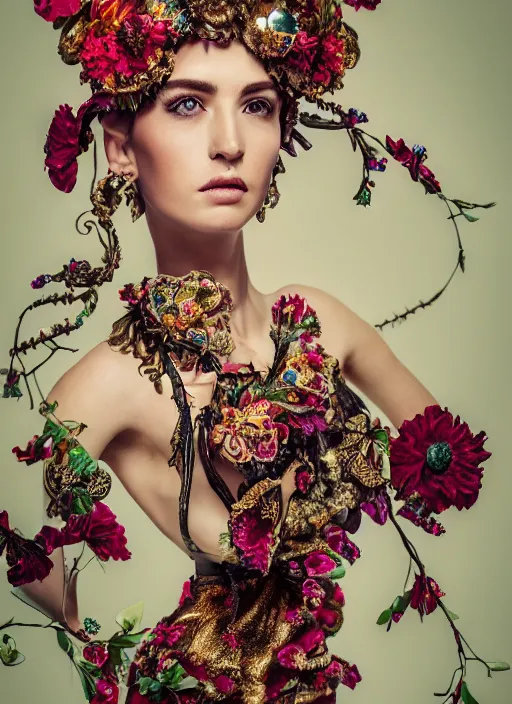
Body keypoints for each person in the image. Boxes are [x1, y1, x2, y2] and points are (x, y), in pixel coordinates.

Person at [0, 2, 508, 703]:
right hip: (197, 682)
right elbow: (26, 556)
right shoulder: (101, 387)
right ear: (119, 145)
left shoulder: (318, 320)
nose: (229, 143)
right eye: (186, 104)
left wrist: (404, 466)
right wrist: (84, 631)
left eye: (258, 105)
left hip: (310, 677)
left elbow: (447, 457)